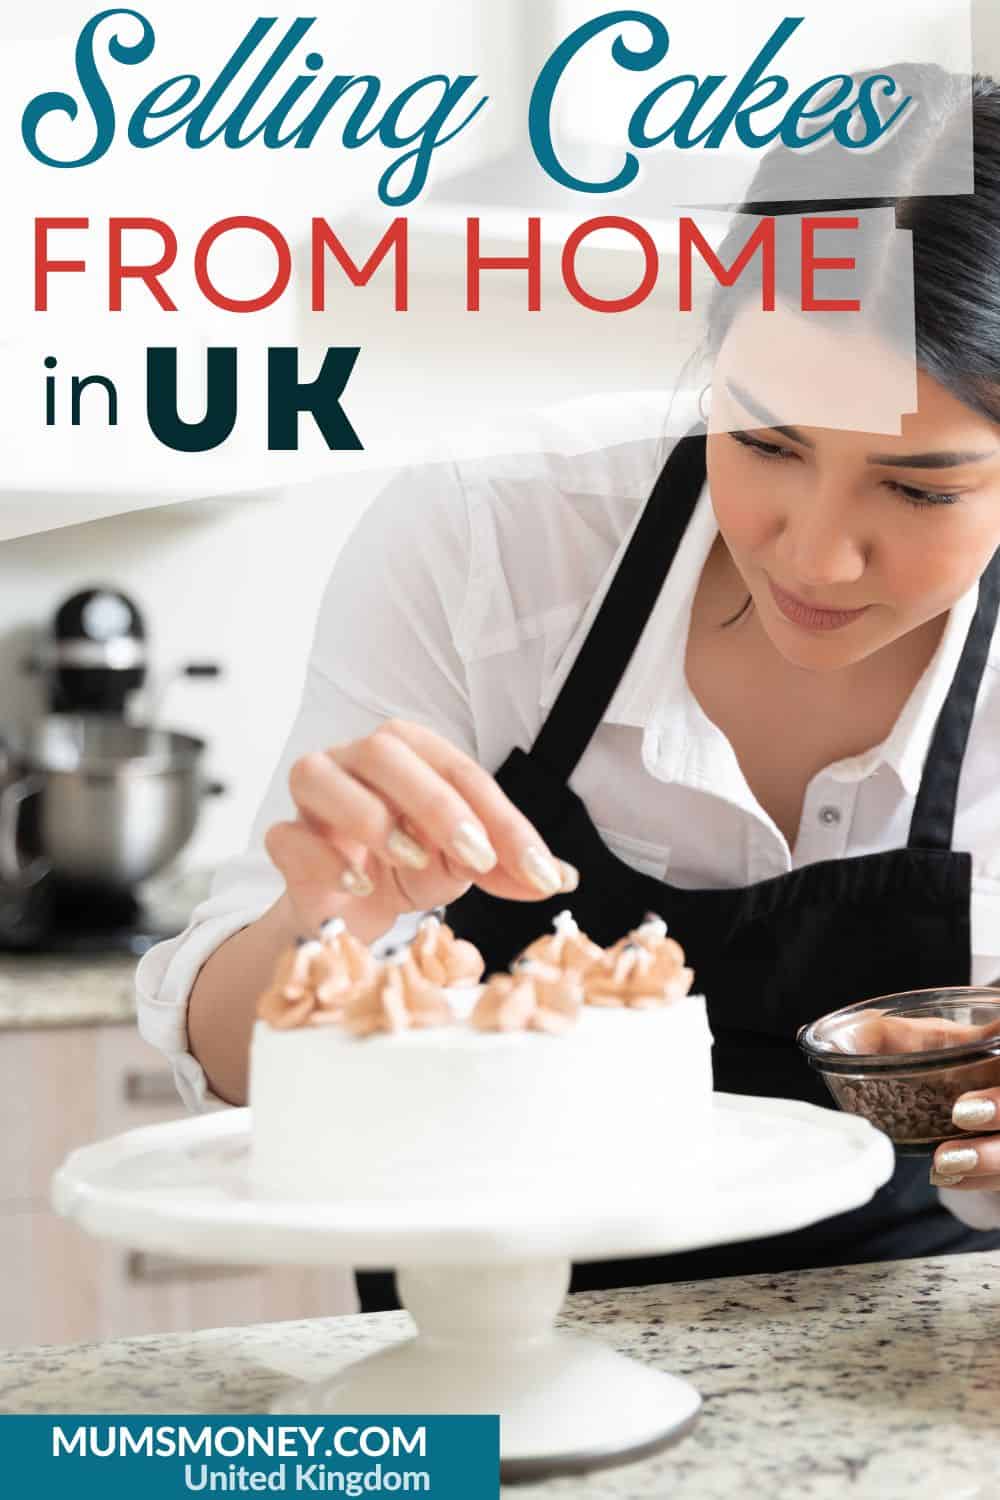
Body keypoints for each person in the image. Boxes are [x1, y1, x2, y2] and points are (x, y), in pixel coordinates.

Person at [138, 65, 1000, 1310]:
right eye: (761, 440)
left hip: (909, 1349)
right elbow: (229, 1060)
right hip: (486, 1335)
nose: (815, 555)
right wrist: (327, 927)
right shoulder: (487, 538)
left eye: (918, 489)